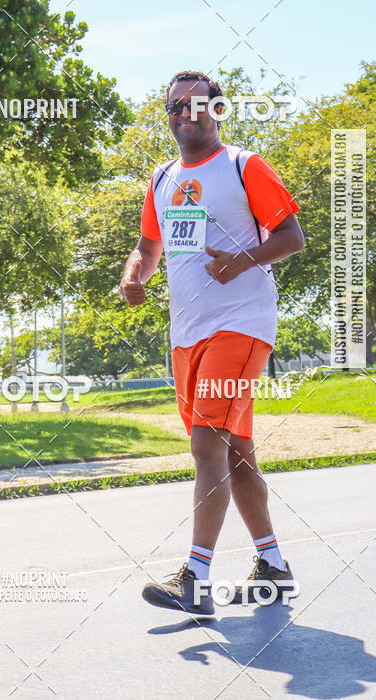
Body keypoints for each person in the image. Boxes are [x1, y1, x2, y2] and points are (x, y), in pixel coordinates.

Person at [120, 70, 305, 615]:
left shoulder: (244, 166)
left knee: (205, 444)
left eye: (196, 105)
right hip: (187, 335)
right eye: (175, 106)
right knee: (235, 453)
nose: (185, 113)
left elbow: (291, 236)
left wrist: (241, 261)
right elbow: (148, 248)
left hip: (241, 324)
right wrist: (134, 277)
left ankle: (194, 578)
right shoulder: (162, 178)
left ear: (217, 111)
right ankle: (272, 564)